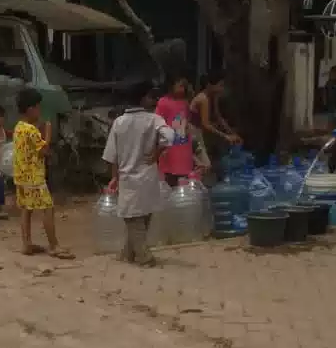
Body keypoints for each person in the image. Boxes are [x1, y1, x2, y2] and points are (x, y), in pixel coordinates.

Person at [102, 80, 175, 265]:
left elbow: (113, 155)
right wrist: (157, 152)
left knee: (132, 218)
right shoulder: (154, 120)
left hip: (128, 177)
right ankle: (129, 254)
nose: (153, 100)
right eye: (151, 96)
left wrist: (114, 178)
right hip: (148, 175)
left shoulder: (119, 122)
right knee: (142, 216)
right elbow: (170, 137)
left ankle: (143, 256)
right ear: (144, 98)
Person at [12, 88, 72, 258]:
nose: (40, 111)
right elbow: (44, 150)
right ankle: (54, 245)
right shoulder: (31, 131)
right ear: (31, 109)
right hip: (34, 177)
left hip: (21, 176)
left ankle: (27, 243)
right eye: (38, 107)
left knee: (26, 209)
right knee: (48, 208)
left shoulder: (18, 128)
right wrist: (48, 131)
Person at [190, 71, 242, 171]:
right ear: (209, 85)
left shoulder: (213, 96)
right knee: (205, 164)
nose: (222, 89)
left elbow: (218, 117)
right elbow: (206, 124)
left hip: (202, 132)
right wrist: (226, 136)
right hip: (194, 133)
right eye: (220, 85)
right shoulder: (203, 99)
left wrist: (232, 133)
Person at [155, 75, 195, 188]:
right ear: (171, 86)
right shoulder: (163, 102)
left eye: (184, 86)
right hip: (170, 144)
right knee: (170, 173)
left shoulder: (185, 103)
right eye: (180, 86)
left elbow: (187, 120)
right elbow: (158, 122)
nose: (183, 89)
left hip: (184, 144)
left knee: (184, 173)